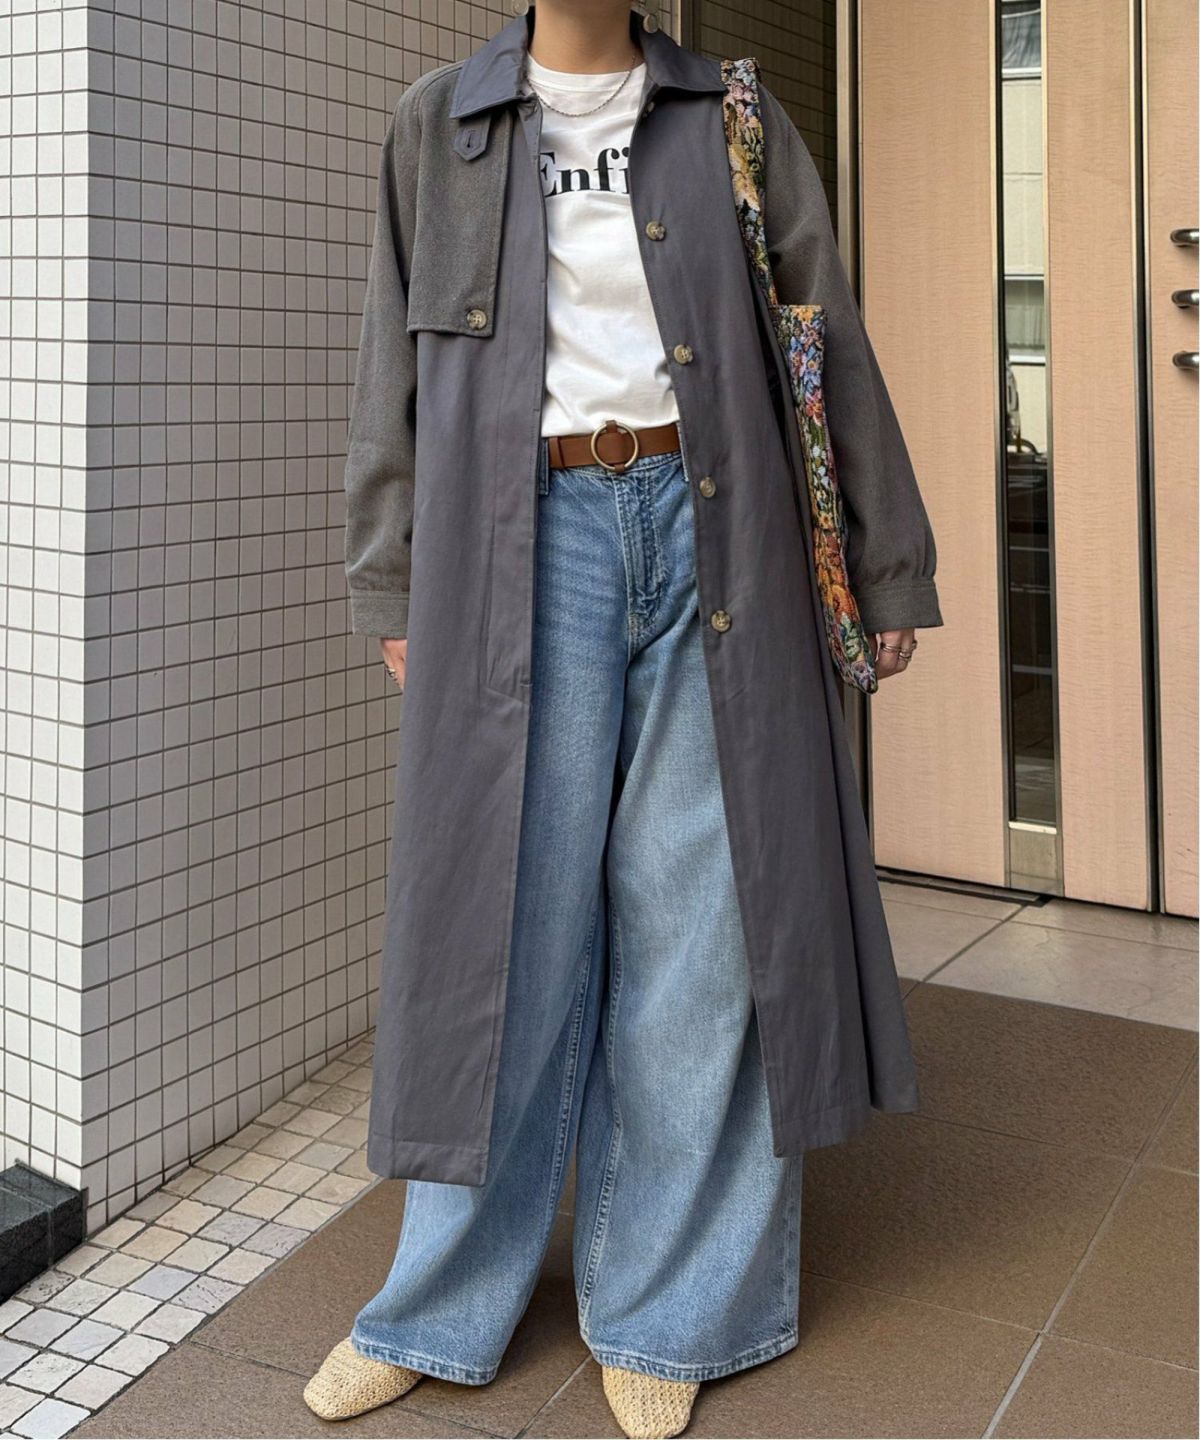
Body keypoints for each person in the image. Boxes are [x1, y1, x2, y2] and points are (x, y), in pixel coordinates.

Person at [305, 2, 943, 1436]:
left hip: (720, 530)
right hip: (518, 545)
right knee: (497, 927)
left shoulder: (733, 115)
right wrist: (391, 578)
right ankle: (434, 1304)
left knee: (700, 924)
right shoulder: (439, 123)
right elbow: (390, 370)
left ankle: (672, 1308)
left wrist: (885, 560)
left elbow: (825, 336)